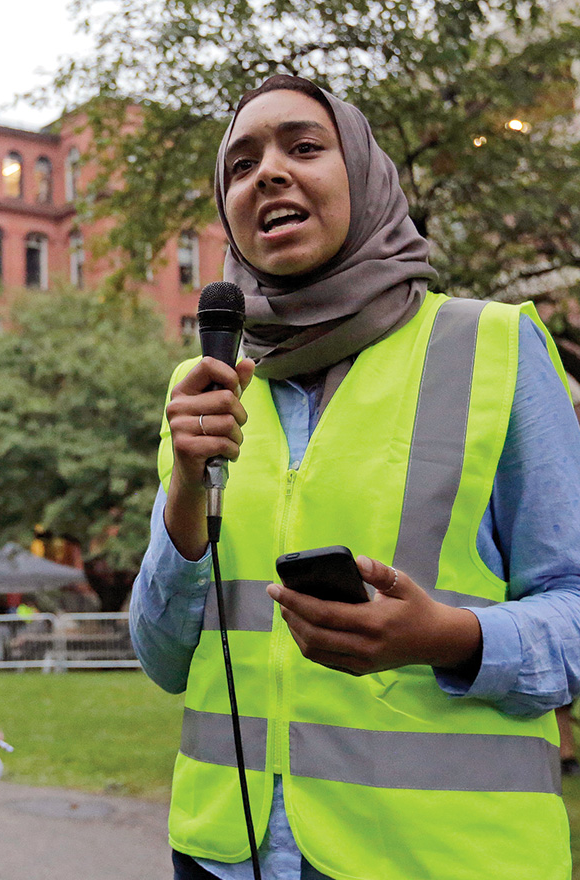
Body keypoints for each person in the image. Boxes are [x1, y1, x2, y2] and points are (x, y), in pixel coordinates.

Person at [131, 75, 580, 880]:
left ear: (366, 177)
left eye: (304, 147)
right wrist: (185, 498)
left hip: (442, 859)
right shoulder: (205, 386)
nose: (266, 173)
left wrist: (452, 638)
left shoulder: (495, 348)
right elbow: (164, 660)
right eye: (239, 165)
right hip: (222, 856)